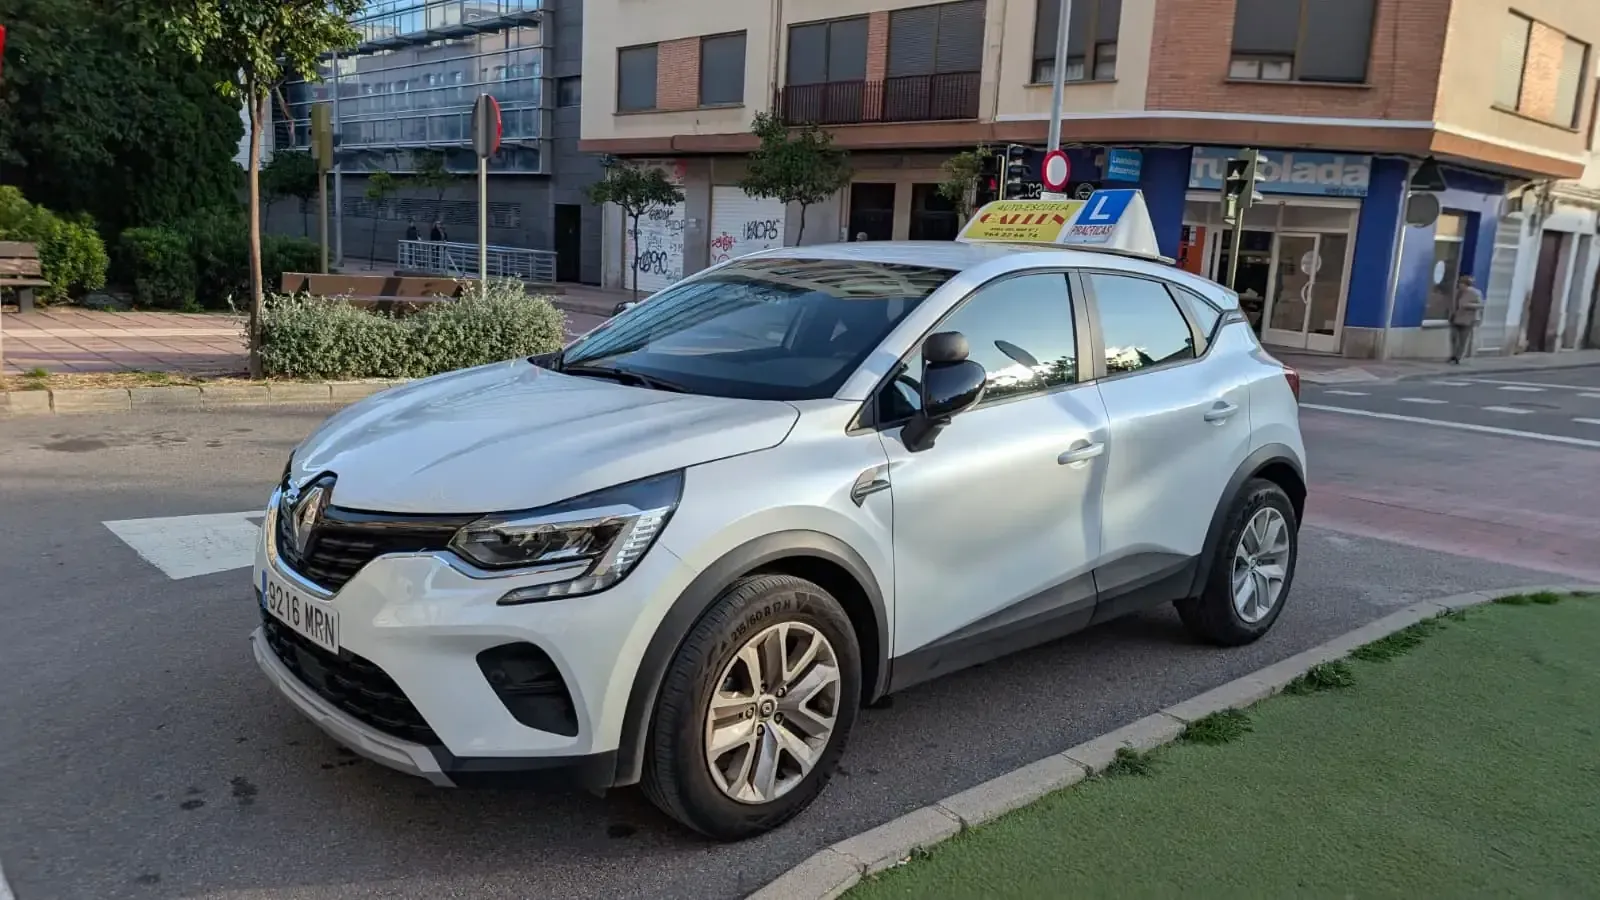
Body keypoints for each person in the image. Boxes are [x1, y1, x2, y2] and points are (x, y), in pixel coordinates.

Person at [1448, 274, 1484, 364]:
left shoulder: (1475, 293)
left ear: (1467, 285)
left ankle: (1457, 357)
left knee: (1462, 340)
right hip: (1456, 318)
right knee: (1453, 338)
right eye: (1460, 284)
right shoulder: (1458, 292)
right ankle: (1453, 354)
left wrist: (1468, 305)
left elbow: (1481, 305)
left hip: (1467, 319)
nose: (1460, 286)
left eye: (1462, 284)